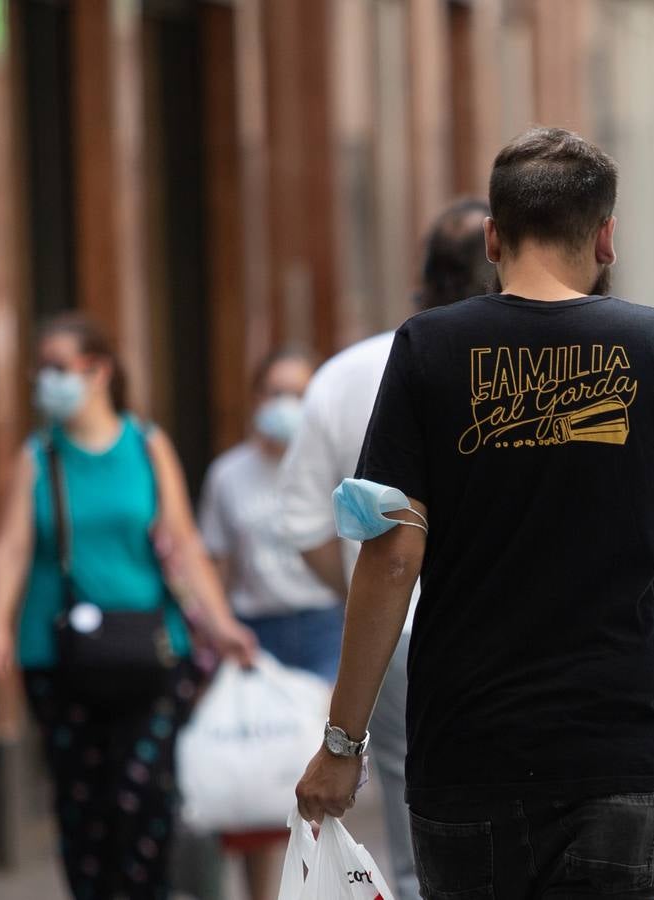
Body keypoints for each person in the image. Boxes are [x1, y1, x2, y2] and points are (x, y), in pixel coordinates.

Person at [293, 127, 654, 900]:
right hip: (620, 753)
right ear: (605, 235)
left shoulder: (428, 348)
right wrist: (640, 511)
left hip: (470, 757)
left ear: (492, 237)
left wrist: (343, 743)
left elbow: (393, 555)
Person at [0, 314, 257, 900]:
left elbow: (183, 544)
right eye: (41, 368)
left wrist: (222, 625)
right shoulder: (38, 456)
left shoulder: (147, 445)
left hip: (152, 650)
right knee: (81, 801)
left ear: (98, 370)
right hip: (58, 655)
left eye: (58, 367)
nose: (44, 379)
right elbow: (10, 547)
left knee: (145, 795)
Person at [279, 195, 494, 900]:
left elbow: (311, 527)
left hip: (398, 637)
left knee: (418, 829)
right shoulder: (535, 369)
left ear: (422, 279)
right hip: (521, 629)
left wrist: (366, 599)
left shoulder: (346, 374)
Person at [196, 346, 340, 899]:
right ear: (255, 398)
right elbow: (211, 559)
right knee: (259, 786)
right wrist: (216, 629)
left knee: (313, 784)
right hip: (259, 637)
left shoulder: (328, 467)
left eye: (299, 395)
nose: (286, 405)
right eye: (275, 392)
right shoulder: (229, 476)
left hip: (325, 630)